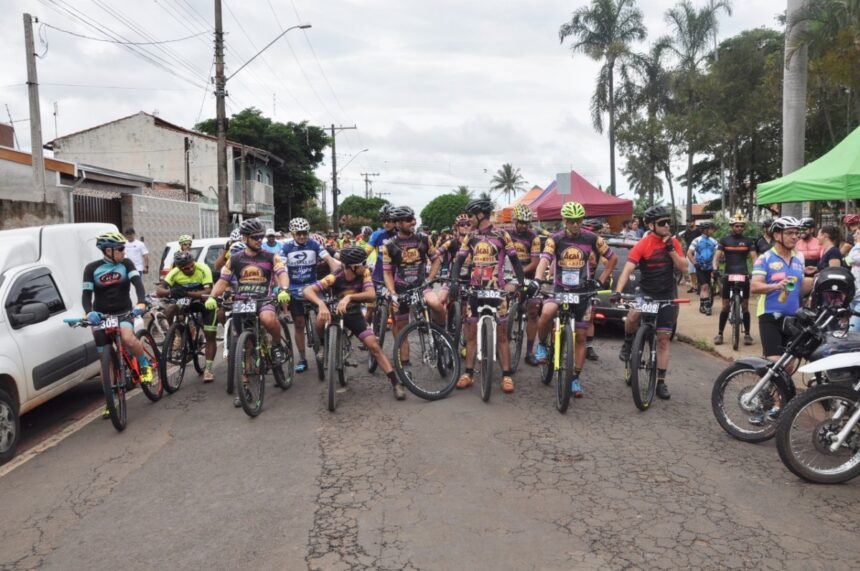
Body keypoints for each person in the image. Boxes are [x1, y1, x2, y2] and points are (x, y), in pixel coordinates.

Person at [204, 218, 292, 406]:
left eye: (261, 236)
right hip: (242, 302)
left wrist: (284, 289)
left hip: (264, 299)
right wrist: (212, 296)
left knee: (268, 319)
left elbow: (281, 273)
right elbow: (223, 280)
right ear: (245, 238)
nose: (259, 240)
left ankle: (276, 345)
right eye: (255, 237)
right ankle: (244, 389)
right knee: (242, 347)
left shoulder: (270, 256)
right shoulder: (235, 258)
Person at [533, 202, 616, 397]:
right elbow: (544, 259)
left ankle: (575, 378)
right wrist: (537, 280)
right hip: (560, 289)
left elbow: (612, 259)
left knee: (580, 336)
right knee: (546, 313)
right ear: (564, 220)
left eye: (578, 221)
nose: (575, 224)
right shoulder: (555, 239)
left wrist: (601, 282)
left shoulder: (592, 238)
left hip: (582, 292)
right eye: (571, 221)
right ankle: (543, 345)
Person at [303, 247, 406, 400]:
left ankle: (395, 383)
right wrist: (321, 304)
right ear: (351, 266)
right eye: (362, 263)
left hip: (354, 315)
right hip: (334, 313)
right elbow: (308, 290)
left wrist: (349, 298)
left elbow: (371, 295)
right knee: (320, 318)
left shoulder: (364, 273)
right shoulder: (334, 276)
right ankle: (324, 346)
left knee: (374, 346)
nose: (366, 266)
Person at [448, 198, 525, 393]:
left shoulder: (502, 235)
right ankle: (468, 373)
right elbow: (458, 262)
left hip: (497, 291)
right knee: (472, 333)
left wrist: (520, 284)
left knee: (501, 336)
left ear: (481, 215)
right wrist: (455, 281)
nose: (469, 220)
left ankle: (506, 376)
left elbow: (515, 261)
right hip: (475, 290)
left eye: (471, 216)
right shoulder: (470, 237)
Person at [614, 205, 688, 400]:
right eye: (662, 223)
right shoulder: (643, 244)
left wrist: (671, 248)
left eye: (668, 222)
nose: (666, 226)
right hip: (646, 293)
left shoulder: (673, 242)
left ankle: (661, 382)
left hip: (667, 294)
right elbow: (628, 270)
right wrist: (618, 291)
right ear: (650, 225)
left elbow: (684, 268)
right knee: (632, 316)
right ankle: (629, 344)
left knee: (663, 339)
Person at [83, 231, 153, 418]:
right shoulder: (91, 269)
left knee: (128, 339)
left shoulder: (126, 264)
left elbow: (137, 284)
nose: (124, 251)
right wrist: (89, 312)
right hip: (101, 315)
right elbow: (86, 296)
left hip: (124, 312)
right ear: (108, 251)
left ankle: (144, 364)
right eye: (120, 249)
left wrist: (140, 302)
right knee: (105, 359)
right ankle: (111, 400)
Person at [383, 205, 445, 378]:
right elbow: (387, 272)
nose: (414, 222)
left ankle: (441, 334)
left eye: (413, 218)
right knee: (401, 328)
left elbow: (436, 260)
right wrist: (392, 292)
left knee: (437, 305)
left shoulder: (424, 239)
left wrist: (429, 279)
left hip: (421, 285)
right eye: (409, 219)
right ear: (399, 223)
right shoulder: (389, 245)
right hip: (402, 289)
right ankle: (405, 364)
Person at [750, 217, 813, 372]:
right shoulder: (764, 258)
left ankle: (776, 396)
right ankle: (766, 394)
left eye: (797, 233)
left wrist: (814, 282)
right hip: (770, 315)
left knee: (790, 364)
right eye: (790, 233)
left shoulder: (799, 258)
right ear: (777, 235)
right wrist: (776, 285)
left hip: (793, 318)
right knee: (774, 362)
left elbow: (798, 287)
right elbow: (754, 286)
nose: (795, 237)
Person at [281, 217, 341, 373]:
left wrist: (337, 275)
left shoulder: (314, 244)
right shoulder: (286, 248)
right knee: (299, 324)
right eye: (298, 233)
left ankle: (322, 344)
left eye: (304, 233)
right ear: (293, 234)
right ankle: (302, 358)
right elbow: (280, 269)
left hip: (313, 287)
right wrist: (282, 287)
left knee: (322, 318)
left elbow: (329, 259)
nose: (302, 236)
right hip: (294, 289)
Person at [156, 251, 218, 382]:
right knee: (170, 308)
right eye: (185, 268)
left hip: (204, 303)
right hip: (186, 302)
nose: (190, 269)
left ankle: (208, 369)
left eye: (191, 266)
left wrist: (186, 292)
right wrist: (170, 291)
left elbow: (208, 291)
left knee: (210, 335)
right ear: (179, 268)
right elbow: (159, 291)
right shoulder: (174, 272)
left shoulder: (203, 268)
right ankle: (176, 333)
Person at [712, 213, 757, 345]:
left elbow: (754, 258)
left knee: (745, 306)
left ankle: (747, 334)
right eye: (737, 226)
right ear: (731, 226)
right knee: (725, 306)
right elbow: (717, 256)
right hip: (728, 275)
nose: (739, 228)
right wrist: (715, 269)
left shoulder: (749, 241)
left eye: (741, 226)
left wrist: (756, 271)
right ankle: (720, 333)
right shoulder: (724, 240)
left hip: (743, 274)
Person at [508, 205, 544, 366]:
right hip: (509, 274)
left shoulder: (533, 237)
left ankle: (529, 352)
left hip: (528, 274)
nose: (523, 225)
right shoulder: (507, 234)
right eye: (521, 222)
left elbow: (536, 262)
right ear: (514, 220)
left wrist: (521, 272)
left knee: (533, 311)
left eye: (526, 222)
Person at [687, 222, 718, 315]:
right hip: (700, 266)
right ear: (705, 230)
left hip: (710, 267)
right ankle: (708, 307)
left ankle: (702, 305)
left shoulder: (714, 241)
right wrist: (695, 263)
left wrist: (717, 266)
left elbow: (718, 254)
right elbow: (689, 253)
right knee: (705, 286)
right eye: (711, 229)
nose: (712, 230)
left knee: (706, 287)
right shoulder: (696, 240)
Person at [844, 226, 860, 331]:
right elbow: (847, 260)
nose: (854, 236)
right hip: (855, 295)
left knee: (852, 332)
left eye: (858, 233)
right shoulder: (856, 248)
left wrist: (858, 244)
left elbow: (850, 259)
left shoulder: (857, 247)